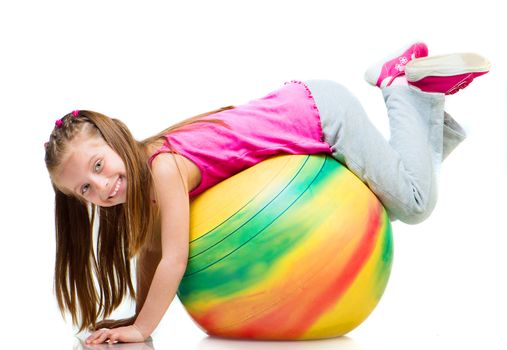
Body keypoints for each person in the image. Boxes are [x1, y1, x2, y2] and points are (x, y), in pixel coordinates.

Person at [44, 42, 490, 344]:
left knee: (414, 204)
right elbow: (151, 252)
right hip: (304, 110)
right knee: (388, 202)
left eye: (98, 166)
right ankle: (430, 120)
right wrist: (137, 319)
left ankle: (400, 85)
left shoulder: (163, 167)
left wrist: (144, 329)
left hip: (321, 116)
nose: (102, 187)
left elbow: (174, 259)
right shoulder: (144, 181)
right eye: (85, 188)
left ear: (115, 135)